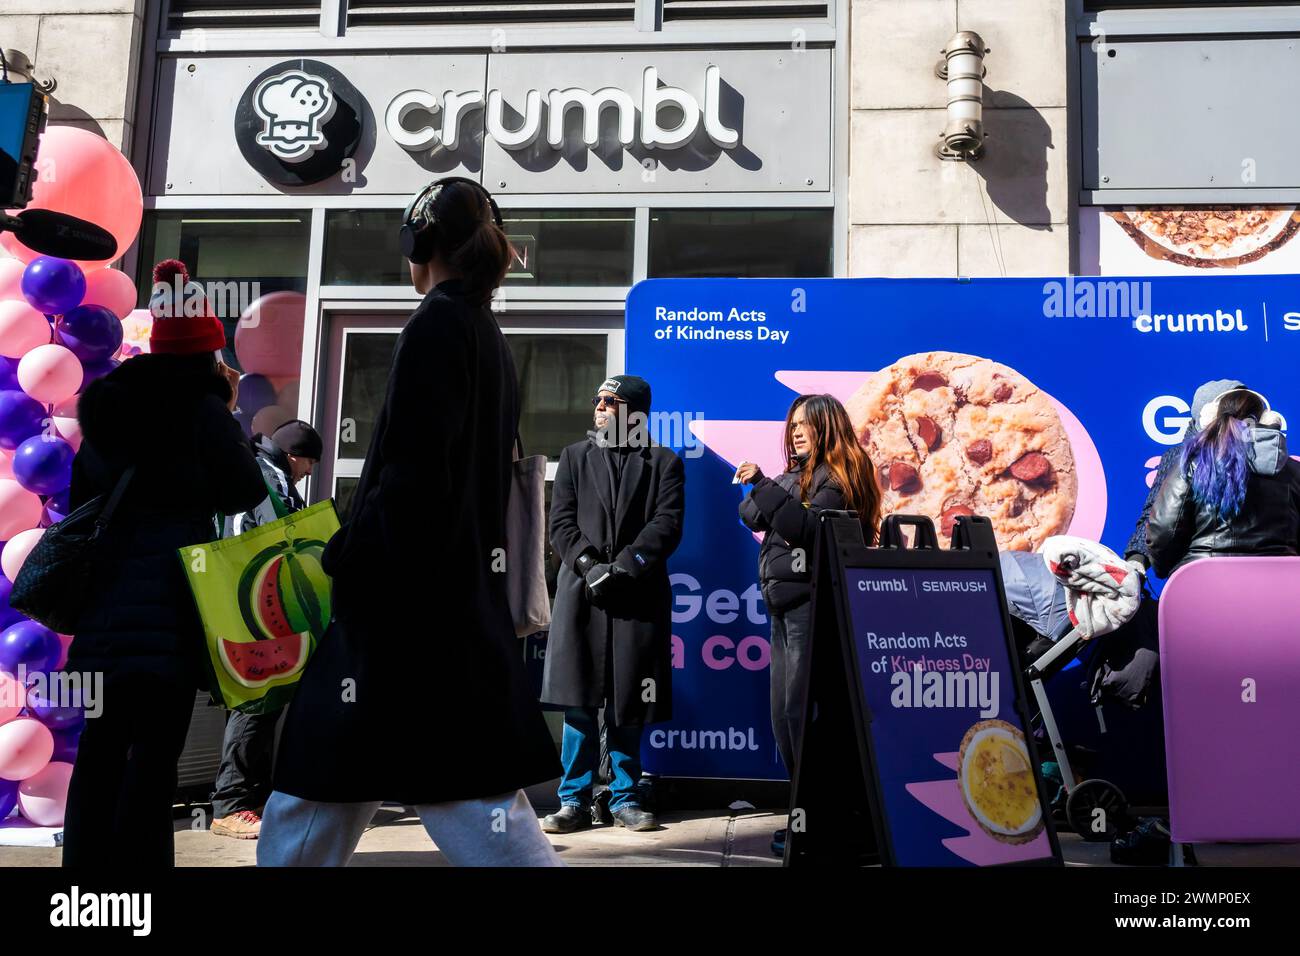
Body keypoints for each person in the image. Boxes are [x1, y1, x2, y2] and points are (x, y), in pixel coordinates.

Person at [257, 178, 562, 867]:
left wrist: (348, 556)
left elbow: (410, 475)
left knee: (368, 784)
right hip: (444, 609)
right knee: (366, 784)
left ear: (418, 244)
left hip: (405, 611)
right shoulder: (484, 333)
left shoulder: (436, 325)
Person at [62, 260, 267, 867]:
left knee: (97, 755)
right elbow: (243, 494)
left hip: (102, 623)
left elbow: (80, 503)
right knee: (153, 763)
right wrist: (226, 416)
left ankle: (84, 895)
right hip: (168, 626)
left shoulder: (106, 408)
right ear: (207, 352)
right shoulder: (202, 415)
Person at [539, 375, 685, 834]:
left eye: (611, 401)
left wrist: (623, 568)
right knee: (579, 703)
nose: (599, 406)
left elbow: (667, 524)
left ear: (634, 411)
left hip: (635, 597)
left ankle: (625, 796)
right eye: (597, 399)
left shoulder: (663, 461)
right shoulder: (574, 457)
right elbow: (560, 522)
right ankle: (573, 800)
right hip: (581, 596)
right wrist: (588, 565)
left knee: (628, 701)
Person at [736, 394, 880, 856]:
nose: (795, 431)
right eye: (792, 424)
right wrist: (770, 484)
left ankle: (822, 822)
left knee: (805, 719)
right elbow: (753, 514)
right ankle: (809, 816)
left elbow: (807, 530)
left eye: (806, 425)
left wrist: (763, 482)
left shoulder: (838, 476)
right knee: (785, 720)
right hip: (782, 610)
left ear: (827, 427)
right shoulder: (800, 473)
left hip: (813, 611)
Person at [210, 419, 322, 840]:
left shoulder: (266, 473)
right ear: (294, 455)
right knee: (254, 699)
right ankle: (231, 804)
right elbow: (245, 537)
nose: (308, 472)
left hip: (256, 601)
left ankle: (250, 799)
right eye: (309, 463)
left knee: (265, 698)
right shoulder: (262, 476)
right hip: (250, 605)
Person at [1147, 385, 1300, 577]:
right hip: (1280, 590)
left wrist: (1171, 571)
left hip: (1201, 586)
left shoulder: (1191, 464)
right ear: (1265, 421)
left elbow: (1163, 533)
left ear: (1210, 419)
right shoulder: (1294, 471)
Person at [1123, 378, 1247, 576]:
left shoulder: (1265, 456)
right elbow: (1156, 515)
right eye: (1234, 408)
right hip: (1198, 577)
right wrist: (1137, 561)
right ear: (1208, 415)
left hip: (1256, 576)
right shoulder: (1180, 457)